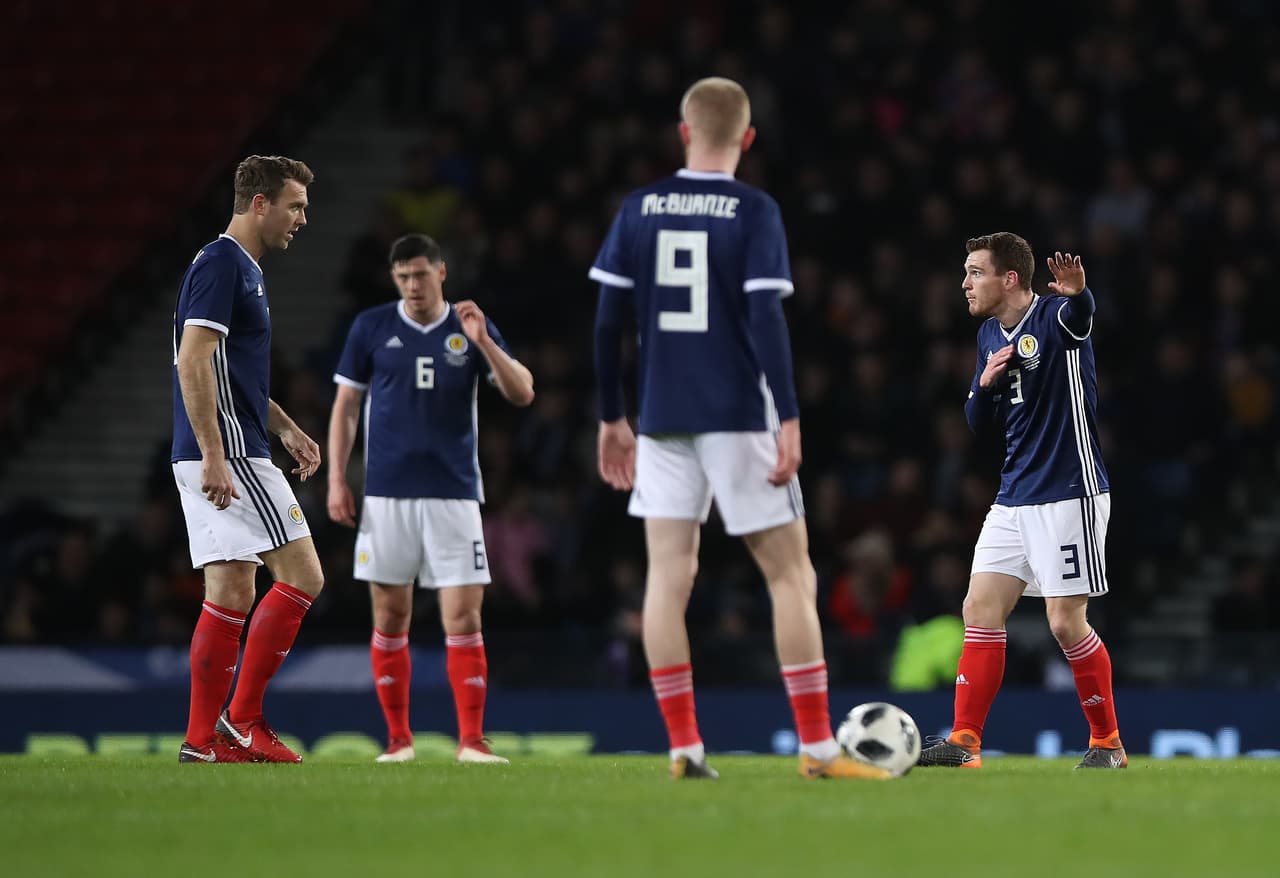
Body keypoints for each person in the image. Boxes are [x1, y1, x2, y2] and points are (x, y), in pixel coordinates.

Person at [590, 76, 889, 781]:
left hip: (661, 418)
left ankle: (684, 748)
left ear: (684, 133)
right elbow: (764, 318)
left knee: (668, 577)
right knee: (790, 575)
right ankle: (817, 749)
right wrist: (789, 414)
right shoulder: (753, 209)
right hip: (735, 414)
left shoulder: (639, 208)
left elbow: (606, 324)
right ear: (747, 138)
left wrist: (611, 416)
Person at [917, 232, 1127, 770]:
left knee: (1064, 621)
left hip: (1069, 491)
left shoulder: (1054, 317)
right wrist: (983, 384)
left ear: (1009, 278)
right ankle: (965, 742)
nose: (965, 284)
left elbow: (1080, 317)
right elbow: (977, 423)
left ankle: (1108, 743)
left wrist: (1081, 295)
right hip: (1013, 496)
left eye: (975, 273)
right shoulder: (989, 334)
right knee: (979, 609)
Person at [327, 233, 534, 764]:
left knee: (463, 616)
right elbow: (346, 405)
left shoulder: (468, 325)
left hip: (454, 493)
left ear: (441, 272)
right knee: (389, 614)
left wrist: (484, 342)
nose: (412, 285)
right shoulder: (371, 326)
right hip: (387, 494)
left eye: (420, 274)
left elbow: (522, 391)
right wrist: (336, 479)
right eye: (403, 277)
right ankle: (399, 740)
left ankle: (472, 741)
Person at [172, 155, 323, 763]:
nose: (302, 219)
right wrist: (216, 453)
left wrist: (284, 426)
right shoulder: (224, 264)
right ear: (260, 204)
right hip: (230, 450)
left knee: (232, 588)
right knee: (304, 575)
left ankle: (201, 740)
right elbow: (192, 359)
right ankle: (244, 720)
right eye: (295, 206)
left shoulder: (236, 267)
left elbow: (230, 373)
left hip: (221, 444)